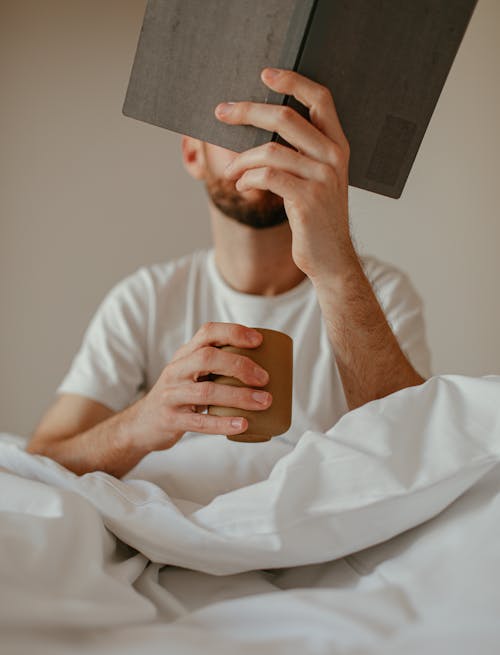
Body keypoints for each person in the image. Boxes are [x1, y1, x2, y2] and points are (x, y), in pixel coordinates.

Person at [26, 67, 431, 479]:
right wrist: (143, 422)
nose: (265, 148)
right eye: (240, 125)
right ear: (192, 154)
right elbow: (42, 460)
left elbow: (420, 456)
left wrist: (337, 269)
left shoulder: (379, 293)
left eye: (285, 131)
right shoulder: (145, 300)